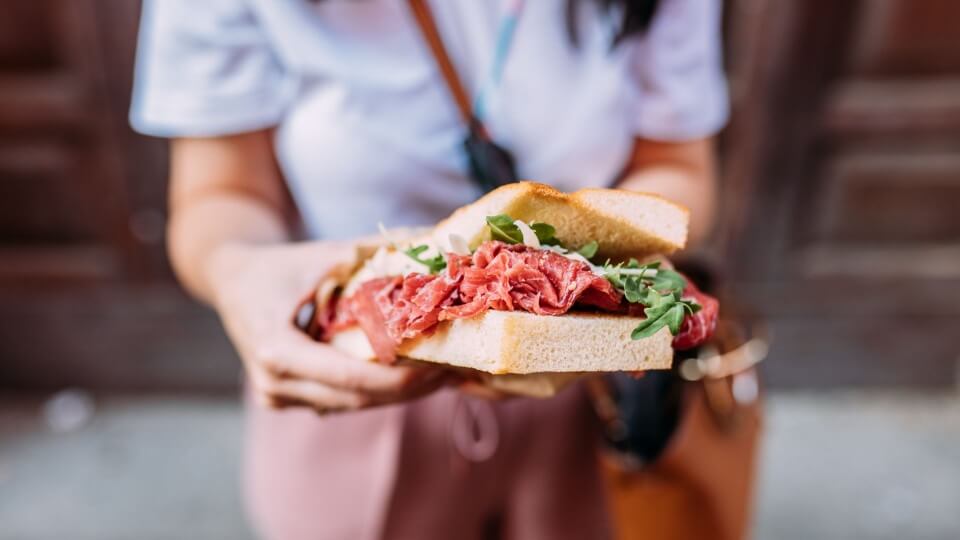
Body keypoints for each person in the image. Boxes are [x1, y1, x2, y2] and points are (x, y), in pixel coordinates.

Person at [131, 0, 727, 538]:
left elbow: (678, 168)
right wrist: (238, 273)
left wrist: (577, 267)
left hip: (585, 394)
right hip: (349, 375)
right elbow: (220, 193)